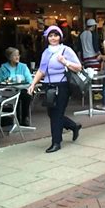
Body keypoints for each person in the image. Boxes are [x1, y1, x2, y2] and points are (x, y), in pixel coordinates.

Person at [27, 25, 82, 153]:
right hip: (48, 86)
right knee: (52, 114)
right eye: (50, 36)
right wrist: (33, 84)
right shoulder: (46, 52)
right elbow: (41, 70)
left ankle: (56, 142)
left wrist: (65, 62)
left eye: (56, 35)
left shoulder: (65, 50)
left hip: (62, 85)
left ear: (60, 37)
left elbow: (79, 67)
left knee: (57, 114)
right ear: (47, 37)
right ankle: (73, 126)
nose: (53, 38)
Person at [0, 47, 33, 126]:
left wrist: (22, 80)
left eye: (18, 55)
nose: (17, 57)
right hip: (9, 91)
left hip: (22, 89)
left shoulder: (23, 67)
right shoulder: (4, 68)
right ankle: (17, 120)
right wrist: (5, 81)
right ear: (9, 57)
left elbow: (30, 80)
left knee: (27, 95)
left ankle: (25, 118)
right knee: (16, 97)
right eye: (14, 55)